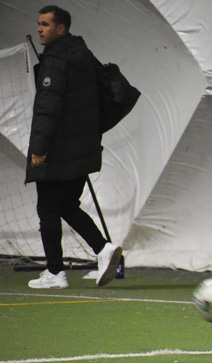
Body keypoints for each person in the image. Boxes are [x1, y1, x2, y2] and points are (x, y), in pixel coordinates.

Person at [26, 5, 122, 289]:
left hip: (59, 150)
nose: (39, 29)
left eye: (45, 24)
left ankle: (55, 272)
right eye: (39, 23)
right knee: (67, 204)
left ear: (61, 28)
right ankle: (103, 249)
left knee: (48, 208)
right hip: (84, 147)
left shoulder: (55, 60)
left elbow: (48, 108)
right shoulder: (82, 53)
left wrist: (39, 147)